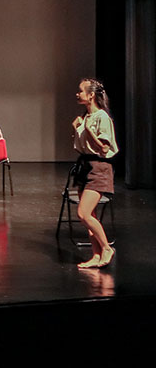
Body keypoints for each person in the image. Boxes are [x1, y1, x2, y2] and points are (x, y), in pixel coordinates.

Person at [71, 78, 118, 269]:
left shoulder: (102, 117)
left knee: (83, 213)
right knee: (91, 215)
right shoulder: (86, 117)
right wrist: (78, 128)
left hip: (99, 168)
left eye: (81, 91)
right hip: (86, 166)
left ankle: (107, 248)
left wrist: (88, 130)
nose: (77, 94)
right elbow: (82, 148)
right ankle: (96, 256)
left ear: (91, 95)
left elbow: (104, 148)